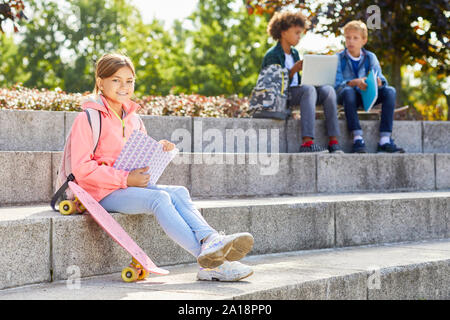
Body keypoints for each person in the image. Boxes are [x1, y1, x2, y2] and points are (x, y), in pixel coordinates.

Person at [69, 53, 255, 282]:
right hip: (99, 193)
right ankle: (209, 262)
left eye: (129, 81)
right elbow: (81, 169)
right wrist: (125, 179)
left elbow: (136, 157)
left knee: (179, 192)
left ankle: (210, 240)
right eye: (116, 80)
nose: (124, 86)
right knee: (160, 200)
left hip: (126, 186)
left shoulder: (134, 119)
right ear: (100, 82)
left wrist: (157, 150)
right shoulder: (88, 118)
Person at [262, 11, 342, 153]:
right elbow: (273, 85)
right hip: (283, 96)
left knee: (328, 90)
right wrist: (293, 70)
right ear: (283, 32)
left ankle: (333, 142)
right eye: (297, 33)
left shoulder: (294, 53)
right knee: (308, 89)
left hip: (299, 92)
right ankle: (307, 143)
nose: (299, 37)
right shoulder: (272, 55)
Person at [335, 20, 405, 153]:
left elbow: (382, 79)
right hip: (348, 98)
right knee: (348, 92)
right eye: (348, 38)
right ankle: (357, 138)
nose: (351, 41)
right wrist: (354, 82)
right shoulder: (338, 58)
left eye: (355, 38)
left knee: (390, 91)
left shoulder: (370, 57)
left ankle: (385, 140)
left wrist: (379, 82)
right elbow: (337, 85)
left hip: (367, 95)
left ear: (364, 41)